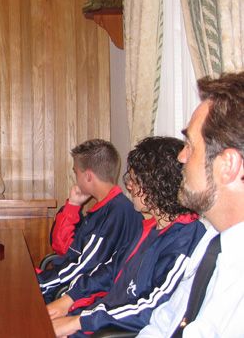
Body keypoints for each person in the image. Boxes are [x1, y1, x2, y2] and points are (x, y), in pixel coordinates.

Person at [47, 136, 206, 337]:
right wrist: (69, 299)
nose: (129, 186)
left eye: (133, 180)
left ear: (155, 184)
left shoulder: (187, 238)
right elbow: (111, 270)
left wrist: (76, 322)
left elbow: (151, 307)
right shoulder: (148, 227)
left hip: (111, 329)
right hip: (98, 318)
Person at [138, 72, 244, 337]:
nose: (181, 157)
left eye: (190, 145)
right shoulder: (212, 242)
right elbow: (163, 325)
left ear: (228, 166)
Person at [38, 139, 143, 303]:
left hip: (80, 295)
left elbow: (85, 267)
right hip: (66, 280)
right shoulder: (103, 208)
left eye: (76, 172)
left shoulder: (116, 213)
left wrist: (39, 283)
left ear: (87, 176)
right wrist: (72, 206)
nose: (75, 178)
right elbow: (64, 248)